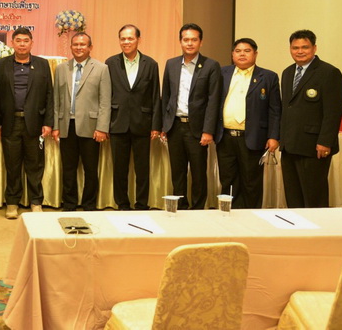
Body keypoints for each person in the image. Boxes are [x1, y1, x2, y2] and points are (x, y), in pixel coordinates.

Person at [280, 30, 342, 208]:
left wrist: (325, 142)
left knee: (314, 197)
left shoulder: (329, 72)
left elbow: (333, 112)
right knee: (293, 196)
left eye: (305, 47)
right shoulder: (287, 73)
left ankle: (318, 226)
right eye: (295, 48)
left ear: (314, 48)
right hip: (289, 146)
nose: (300, 51)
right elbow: (287, 108)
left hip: (313, 147)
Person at [214, 38, 281, 209]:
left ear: (255, 54)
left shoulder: (268, 77)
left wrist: (274, 136)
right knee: (228, 180)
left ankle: (251, 216)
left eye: (247, 51)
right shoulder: (222, 73)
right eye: (238, 51)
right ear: (232, 54)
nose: (242, 54)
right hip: (225, 137)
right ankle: (228, 214)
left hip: (253, 137)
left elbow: (275, 110)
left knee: (251, 182)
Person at [161, 23, 221, 210]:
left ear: (200, 42)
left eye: (194, 40)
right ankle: (179, 207)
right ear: (180, 41)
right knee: (177, 172)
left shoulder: (211, 65)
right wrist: (164, 125)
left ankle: (197, 208)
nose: (189, 43)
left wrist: (208, 130)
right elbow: (166, 97)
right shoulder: (171, 64)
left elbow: (213, 100)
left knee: (198, 172)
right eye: (186, 39)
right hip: (175, 126)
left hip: (197, 129)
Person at [0, 27, 54, 219]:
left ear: (31, 43)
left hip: (35, 123)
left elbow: (49, 94)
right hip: (10, 122)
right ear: (12, 43)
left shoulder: (42, 64)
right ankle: (12, 202)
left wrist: (48, 122)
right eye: (18, 40)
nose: (22, 44)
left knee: (35, 165)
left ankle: (36, 202)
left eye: (26, 40)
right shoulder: (2, 64)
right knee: (12, 166)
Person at [106, 24, 162, 211]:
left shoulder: (151, 64)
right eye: (123, 38)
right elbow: (105, 95)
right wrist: (105, 124)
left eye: (130, 38)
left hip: (142, 123)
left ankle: (141, 204)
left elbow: (155, 96)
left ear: (138, 40)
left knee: (142, 169)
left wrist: (156, 125)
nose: (126, 42)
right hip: (117, 122)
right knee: (119, 169)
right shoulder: (110, 63)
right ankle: (122, 203)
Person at [52, 32, 110, 211]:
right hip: (66, 126)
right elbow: (56, 100)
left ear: (90, 47)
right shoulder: (61, 69)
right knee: (68, 170)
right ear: (71, 47)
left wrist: (102, 128)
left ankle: (89, 205)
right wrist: (56, 126)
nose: (79, 47)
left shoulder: (101, 68)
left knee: (90, 170)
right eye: (75, 44)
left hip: (91, 127)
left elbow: (105, 101)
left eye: (83, 44)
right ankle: (69, 204)